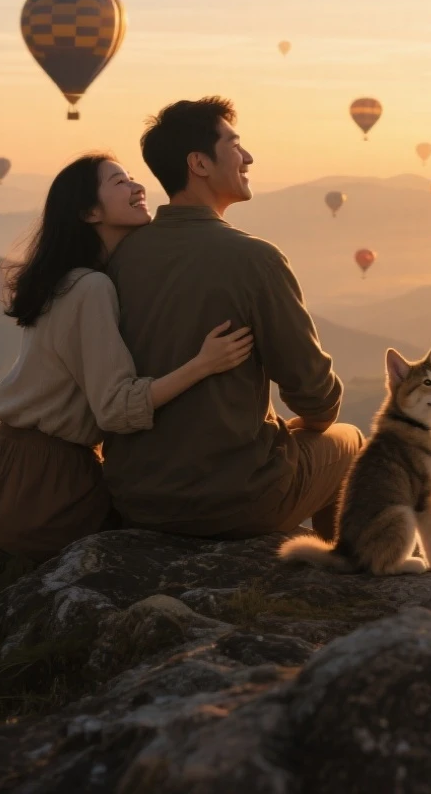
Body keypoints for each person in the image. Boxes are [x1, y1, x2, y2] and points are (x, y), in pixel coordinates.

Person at [103, 97, 364, 538]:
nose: (248, 158)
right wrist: (305, 429)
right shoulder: (254, 259)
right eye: (235, 145)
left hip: (135, 497)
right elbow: (315, 396)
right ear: (199, 163)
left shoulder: (119, 256)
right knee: (352, 440)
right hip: (237, 500)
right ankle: (341, 577)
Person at [0, 153, 252, 560]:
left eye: (134, 178)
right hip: (50, 487)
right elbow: (116, 409)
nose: (137, 187)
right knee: (199, 520)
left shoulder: (65, 280)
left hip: (8, 470)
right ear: (89, 211)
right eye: (119, 182)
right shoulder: (91, 288)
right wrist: (203, 364)